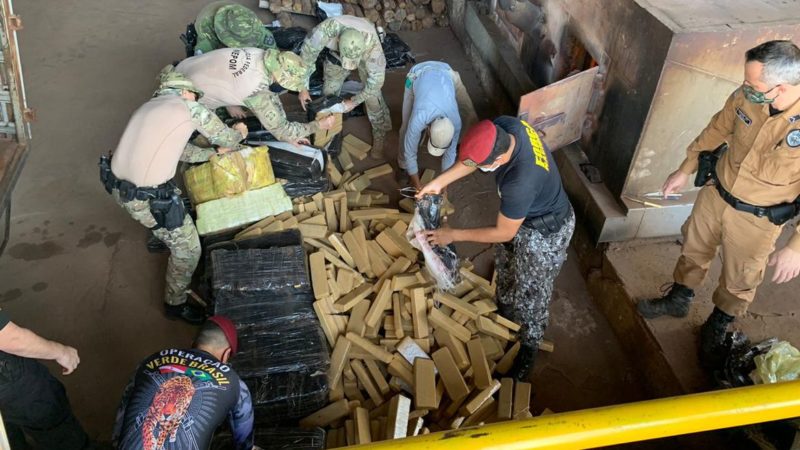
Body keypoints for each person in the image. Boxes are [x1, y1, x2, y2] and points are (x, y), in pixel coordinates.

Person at [637, 40, 800, 365]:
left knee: (740, 277)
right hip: (717, 193)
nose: (745, 89)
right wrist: (685, 170)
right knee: (694, 249)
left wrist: (796, 247)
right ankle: (679, 298)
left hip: (758, 219)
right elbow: (716, 130)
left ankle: (718, 323)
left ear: (780, 89)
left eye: (754, 85)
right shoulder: (746, 97)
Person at [418, 118, 574, 380]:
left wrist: (453, 234)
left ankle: (529, 345)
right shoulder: (505, 127)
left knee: (532, 291)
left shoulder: (520, 183)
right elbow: (472, 159)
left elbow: (504, 232)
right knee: (506, 265)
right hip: (521, 218)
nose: (477, 168)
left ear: (498, 161)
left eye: (482, 167)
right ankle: (506, 311)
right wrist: (439, 182)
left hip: (545, 231)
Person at [101, 71, 248, 325]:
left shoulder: (150, 106)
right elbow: (229, 138)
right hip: (146, 198)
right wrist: (239, 132)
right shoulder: (188, 108)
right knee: (189, 250)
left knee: (163, 223)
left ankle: (159, 229)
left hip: (118, 186)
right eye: (195, 95)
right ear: (183, 92)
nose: (197, 99)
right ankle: (175, 304)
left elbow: (181, 150)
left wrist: (213, 153)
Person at [112, 316, 255, 450]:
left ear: (192, 343)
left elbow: (121, 419)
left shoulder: (149, 362)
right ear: (226, 354)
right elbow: (244, 442)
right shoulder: (236, 384)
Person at [176, 47, 336, 145]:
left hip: (186, 67)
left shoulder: (261, 53)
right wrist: (317, 126)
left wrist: (231, 101)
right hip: (184, 95)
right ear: (279, 78)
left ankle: (225, 100)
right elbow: (281, 130)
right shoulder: (255, 90)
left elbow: (233, 77)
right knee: (220, 139)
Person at [297, 15, 391, 158]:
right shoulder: (325, 31)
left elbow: (376, 82)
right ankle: (328, 136)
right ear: (338, 40)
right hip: (337, 54)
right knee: (328, 96)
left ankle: (380, 132)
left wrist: (354, 101)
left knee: (373, 97)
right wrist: (302, 88)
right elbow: (306, 58)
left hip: (364, 54)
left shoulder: (372, 46)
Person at [0, 309, 89, 449]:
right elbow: (11, 339)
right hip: (7, 379)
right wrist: (61, 352)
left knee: (5, 432)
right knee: (50, 415)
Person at [398, 61, 477, 189]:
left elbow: (450, 154)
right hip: (417, 74)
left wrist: (443, 187)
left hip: (447, 73)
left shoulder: (455, 122)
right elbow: (410, 152)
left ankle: (464, 148)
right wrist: (417, 186)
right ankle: (402, 167)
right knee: (406, 129)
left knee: (470, 116)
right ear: (428, 129)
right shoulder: (420, 117)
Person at [192, 1, 276, 55]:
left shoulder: (248, 19)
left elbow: (266, 40)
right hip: (209, 22)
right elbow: (205, 46)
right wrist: (200, 55)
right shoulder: (205, 24)